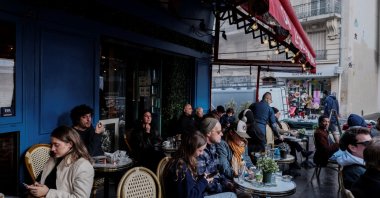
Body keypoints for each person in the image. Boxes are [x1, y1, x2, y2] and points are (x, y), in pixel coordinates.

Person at [25, 126, 94, 197]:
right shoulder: (54, 158)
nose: (52, 149)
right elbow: (43, 180)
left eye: (56, 145)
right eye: (52, 144)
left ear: (70, 144)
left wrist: (48, 192)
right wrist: (37, 186)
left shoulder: (83, 166)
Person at [164, 131, 236, 198]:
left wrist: (201, 178)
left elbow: (189, 186)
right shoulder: (181, 167)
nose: (202, 153)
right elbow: (191, 195)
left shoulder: (183, 161)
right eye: (200, 150)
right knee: (232, 195)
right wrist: (204, 182)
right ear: (191, 148)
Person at [197, 117, 234, 196]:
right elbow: (205, 183)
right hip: (207, 194)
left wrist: (227, 182)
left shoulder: (213, 146)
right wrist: (224, 187)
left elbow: (216, 172)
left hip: (217, 188)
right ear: (208, 133)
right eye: (218, 132)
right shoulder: (199, 152)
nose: (222, 134)